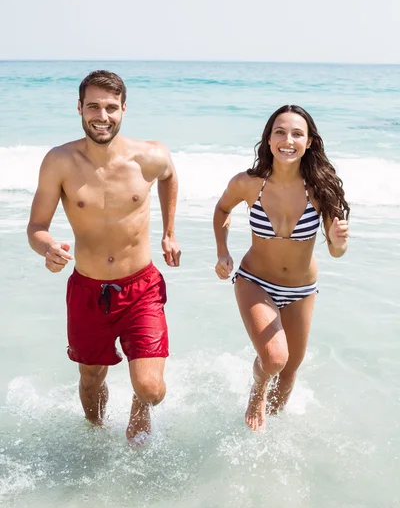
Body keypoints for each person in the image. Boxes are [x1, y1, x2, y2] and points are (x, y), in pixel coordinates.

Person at [27, 70, 180, 444]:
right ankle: (97, 438)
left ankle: (138, 406)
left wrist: (169, 232)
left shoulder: (149, 155)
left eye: (111, 107)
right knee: (90, 382)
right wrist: (47, 248)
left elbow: (170, 175)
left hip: (141, 287)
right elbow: (36, 227)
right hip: (87, 290)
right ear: (79, 107)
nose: (102, 115)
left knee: (151, 389)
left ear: (124, 110)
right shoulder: (59, 161)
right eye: (93, 105)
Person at [213, 105, 349, 432]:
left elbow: (336, 251)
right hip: (254, 281)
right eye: (280, 132)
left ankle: (265, 438)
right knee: (275, 359)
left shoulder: (320, 189)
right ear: (269, 138)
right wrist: (223, 252)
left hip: (302, 290)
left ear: (310, 142)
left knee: (289, 374)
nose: (288, 140)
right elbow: (221, 210)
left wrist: (337, 240)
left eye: (297, 134)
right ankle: (256, 392)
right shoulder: (248, 183)